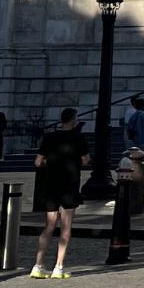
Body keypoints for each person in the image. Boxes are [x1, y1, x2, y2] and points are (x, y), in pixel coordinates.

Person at [30, 108, 87, 279]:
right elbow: (85, 160)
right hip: (69, 185)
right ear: (74, 120)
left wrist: (52, 161)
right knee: (66, 227)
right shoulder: (79, 138)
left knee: (49, 225)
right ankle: (58, 267)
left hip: (51, 184)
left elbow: (38, 162)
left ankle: (38, 265)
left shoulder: (49, 137)